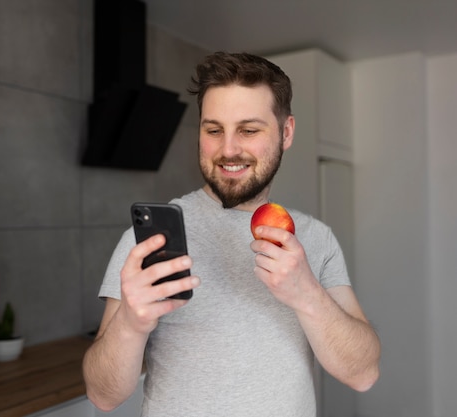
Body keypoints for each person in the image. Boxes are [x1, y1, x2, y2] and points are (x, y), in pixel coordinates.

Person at [82, 51, 381, 417]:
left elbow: (363, 374)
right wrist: (130, 323)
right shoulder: (148, 241)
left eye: (249, 130)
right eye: (213, 130)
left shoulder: (315, 238)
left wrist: (308, 296)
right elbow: (102, 395)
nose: (228, 149)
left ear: (286, 132)